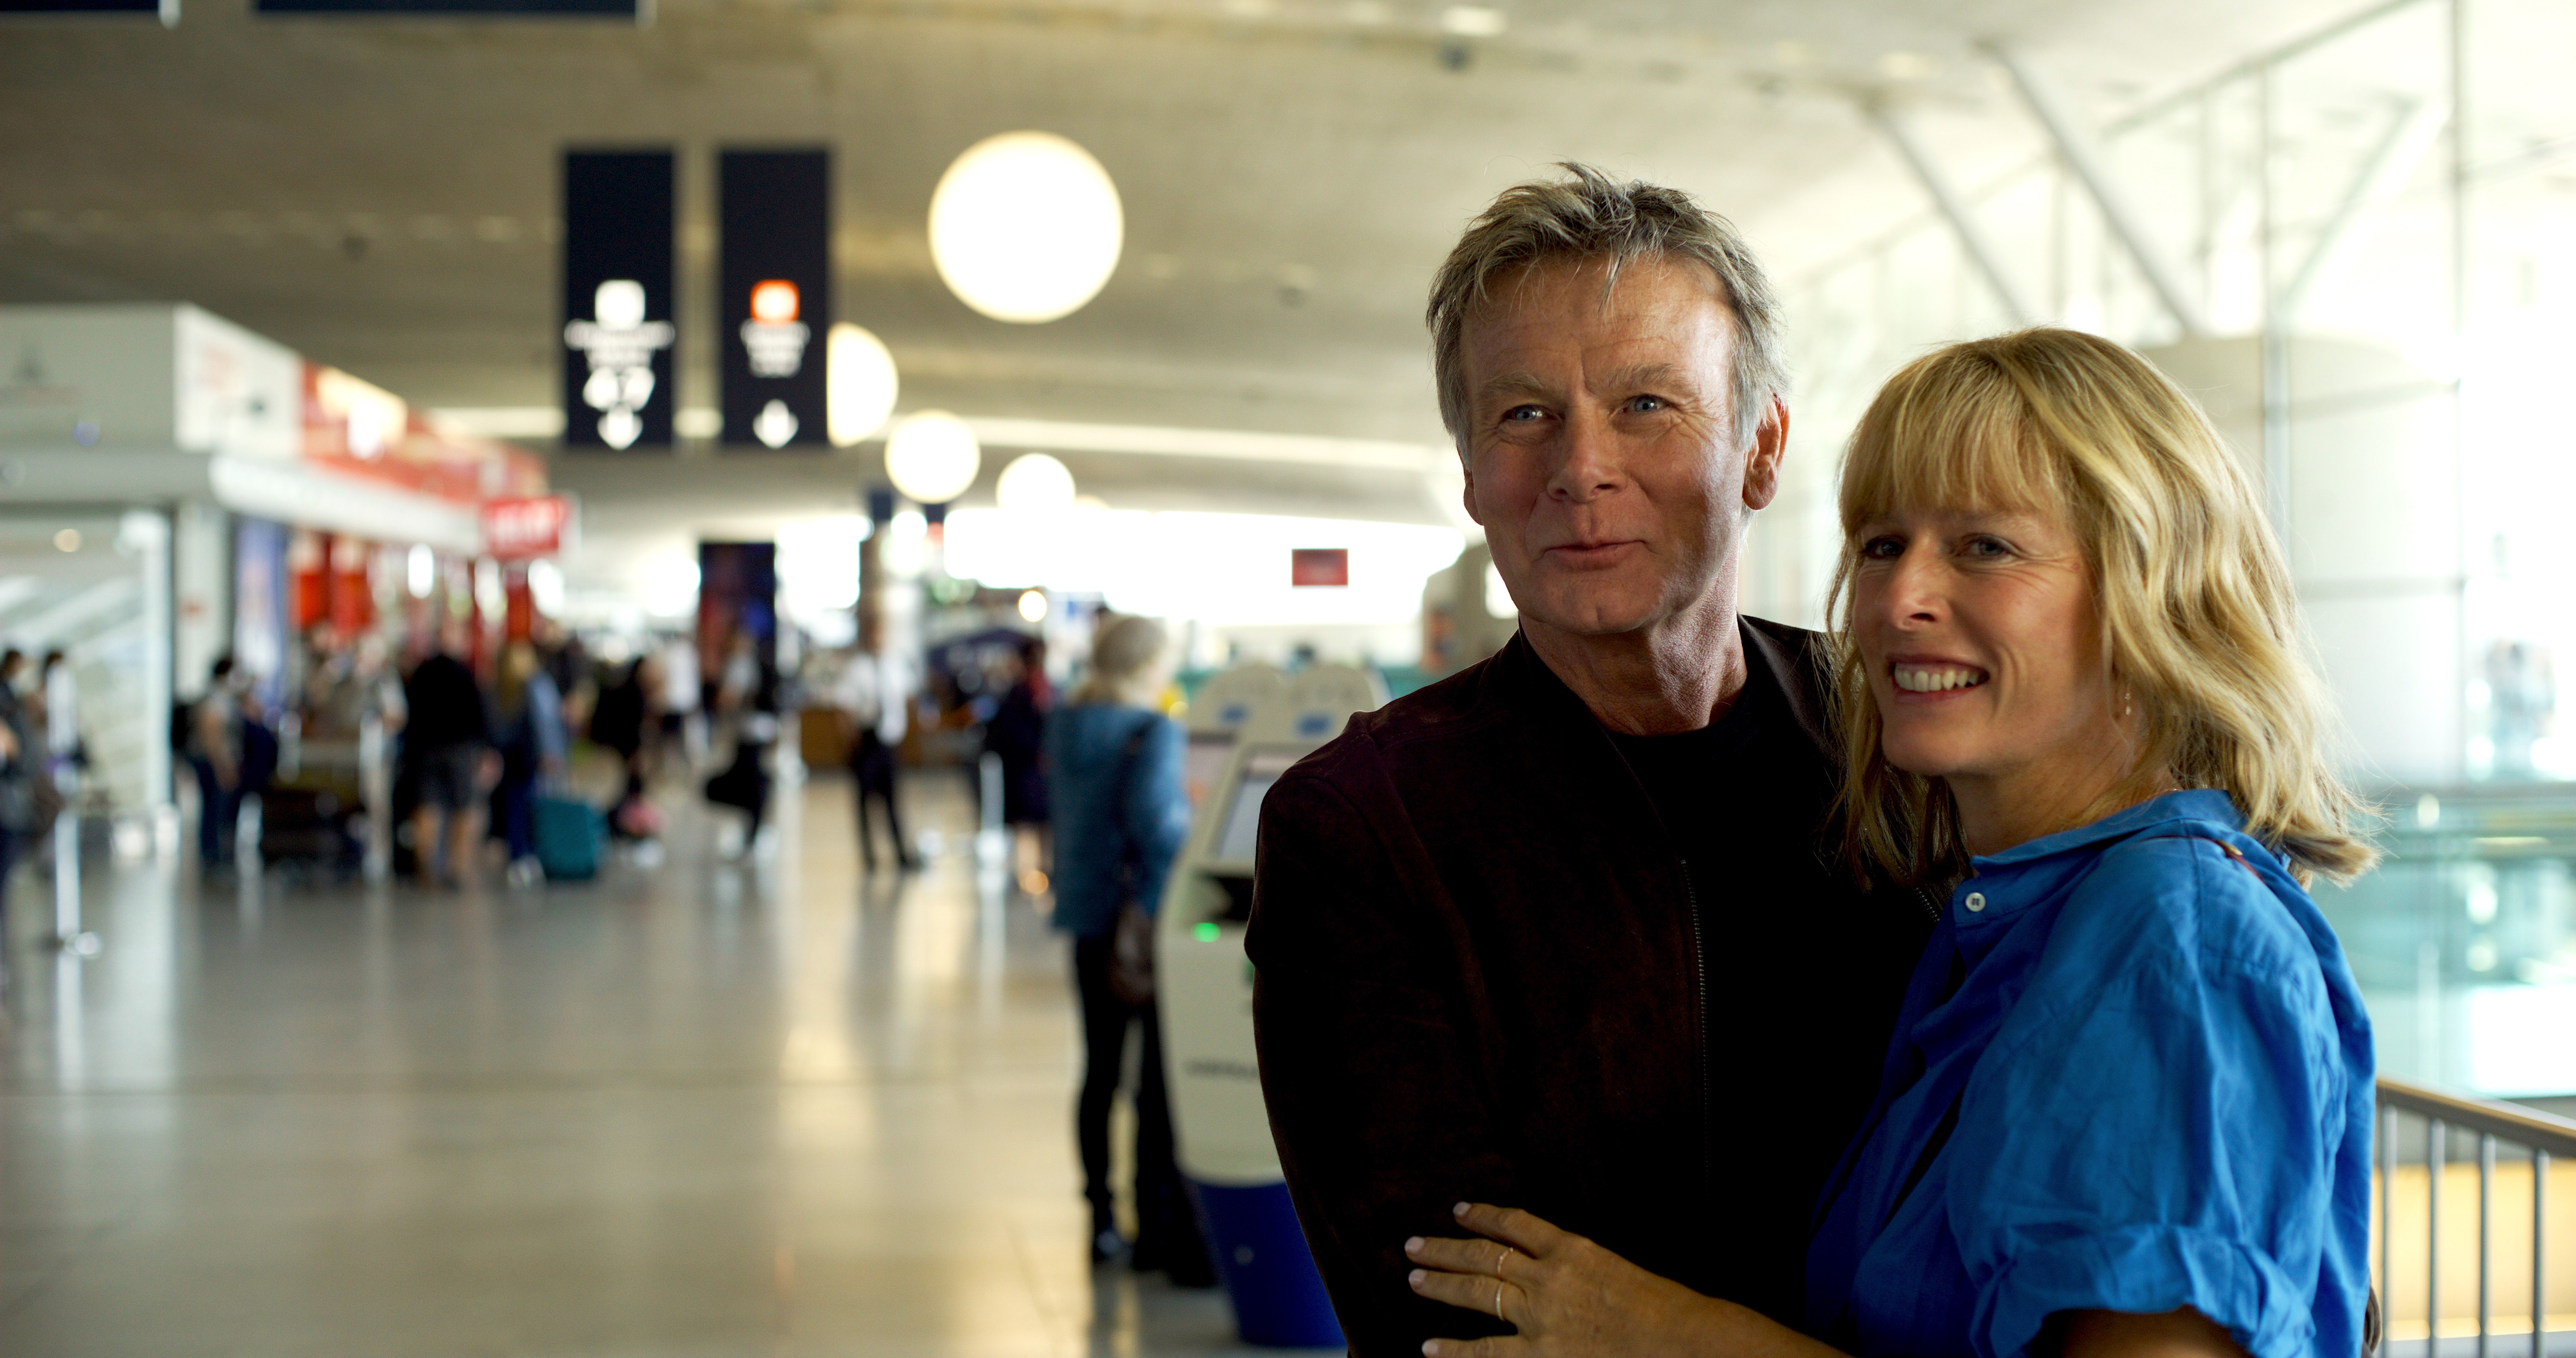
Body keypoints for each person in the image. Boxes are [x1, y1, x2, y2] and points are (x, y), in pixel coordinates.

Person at [1400, 331, 2379, 1358]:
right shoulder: (2002, 931)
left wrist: (1670, 1336)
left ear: (2149, 593)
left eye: (1983, 546)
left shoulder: (2168, 943)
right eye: (1879, 543)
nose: (1899, 599)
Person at [1246, 164, 1933, 1353]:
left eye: (1645, 405)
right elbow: (1455, 1313)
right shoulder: (1364, 826)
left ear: (1761, 448)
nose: (1579, 468)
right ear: (1468, 470)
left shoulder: (1902, 737)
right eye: (1522, 415)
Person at [1042, 615, 1212, 1284]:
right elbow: (1160, 828)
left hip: (1086, 920)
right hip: (1143, 925)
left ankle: (1099, 1220)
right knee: (1157, 1085)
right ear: (1146, 668)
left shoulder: (1066, 726)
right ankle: (1155, 1228)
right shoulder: (1152, 732)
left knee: (1099, 1073)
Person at [402, 623, 495, 887]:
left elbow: (411, 715)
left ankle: (428, 868)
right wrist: (487, 751)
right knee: (465, 807)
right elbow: (481, 716)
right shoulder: (467, 674)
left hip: (425, 750)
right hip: (461, 751)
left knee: (427, 808)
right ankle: (459, 868)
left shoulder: (421, 673)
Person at [834, 616, 919, 873]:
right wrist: (851, 740)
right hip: (866, 740)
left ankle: (901, 853)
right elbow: (845, 707)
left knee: (893, 799)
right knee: (864, 801)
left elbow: (907, 700)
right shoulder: (856, 668)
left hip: (889, 741)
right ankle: (869, 856)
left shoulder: (896, 665)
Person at [490, 639, 567, 882]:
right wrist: (551, 752)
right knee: (530, 806)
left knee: (515, 807)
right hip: (528, 757)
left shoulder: (498, 687)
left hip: (510, 757)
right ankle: (529, 854)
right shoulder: (534, 686)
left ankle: (518, 856)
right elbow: (545, 724)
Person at [186, 654, 247, 868]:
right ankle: (212, 857)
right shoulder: (216, 699)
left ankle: (214, 855)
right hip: (213, 763)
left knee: (215, 809)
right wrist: (222, 767)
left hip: (217, 762)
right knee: (215, 810)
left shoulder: (225, 699)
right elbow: (212, 736)